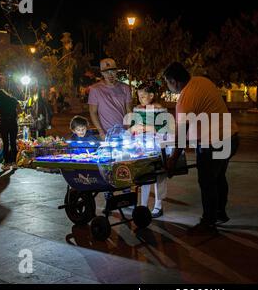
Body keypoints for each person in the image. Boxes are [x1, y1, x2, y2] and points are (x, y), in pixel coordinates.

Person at [163, 62, 240, 235]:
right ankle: (220, 213)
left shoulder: (185, 98)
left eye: (167, 83)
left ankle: (209, 222)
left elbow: (181, 136)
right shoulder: (202, 81)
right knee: (218, 177)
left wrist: (172, 161)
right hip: (231, 138)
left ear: (174, 81)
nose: (168, 87)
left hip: (212, 144)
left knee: (207, 182)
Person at [130, 80, 168, 218]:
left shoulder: (159, 109)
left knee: (159, 176)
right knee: (143, 175)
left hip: (157, 147)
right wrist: (133, 130)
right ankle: (143, 205)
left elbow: (164, 129)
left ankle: (158, 205)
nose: (140, 99)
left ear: (151, 95)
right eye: (139, 96)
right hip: (141, 147)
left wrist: (146, 128)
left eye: (143, 96)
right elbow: (133, 126)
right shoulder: (138, 109)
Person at [88, 58, 132, 139]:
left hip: (123, 132)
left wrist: (128, 129)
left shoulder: (125, 88)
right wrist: (101, 132)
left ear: (116, 71)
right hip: (106, 133)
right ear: (102, 73)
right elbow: (93, 112)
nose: (110, 75)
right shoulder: (95, 89)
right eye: (106, 72)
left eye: (112, 71)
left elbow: (129, 110)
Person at [0, 89, 21, 170]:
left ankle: (6, 164)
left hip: (4, 123)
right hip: (13, 122)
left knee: (5, 143)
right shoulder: (13, 99)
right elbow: (20, 110)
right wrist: (15, 116)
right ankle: (14, 163)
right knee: (13, 142)